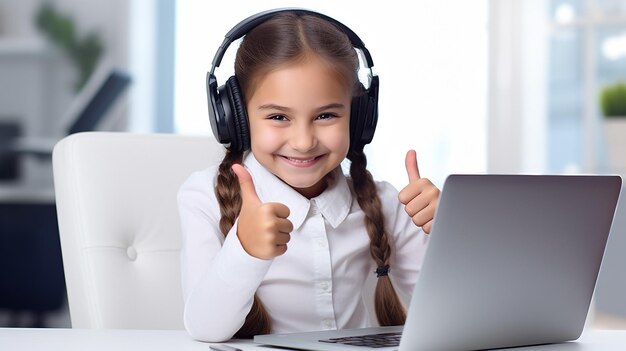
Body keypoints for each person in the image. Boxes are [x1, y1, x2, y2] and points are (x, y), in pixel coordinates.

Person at [178, 9, 440, 343]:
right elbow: (205, 327)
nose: (303, 142)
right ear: (236, 117)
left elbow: (459, 314)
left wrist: (448, 234)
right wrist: (244, 250)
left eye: (326, 115)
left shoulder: (387, 203)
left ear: (359, 118)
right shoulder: (203, 197)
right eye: (278, 116)